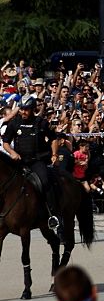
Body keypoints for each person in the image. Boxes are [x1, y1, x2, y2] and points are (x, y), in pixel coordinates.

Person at [0, 95, 67, 225]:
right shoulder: (14, 123)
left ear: (32, 109)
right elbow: (6, 142)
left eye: (26, 109)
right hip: (19, 161)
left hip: (37, 161)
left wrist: (54, 154)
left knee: (45, 182)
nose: (23, 112)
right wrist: (12, 152)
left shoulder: (41, 123)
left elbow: (53, 138)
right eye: (21, 109)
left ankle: (52, 215)